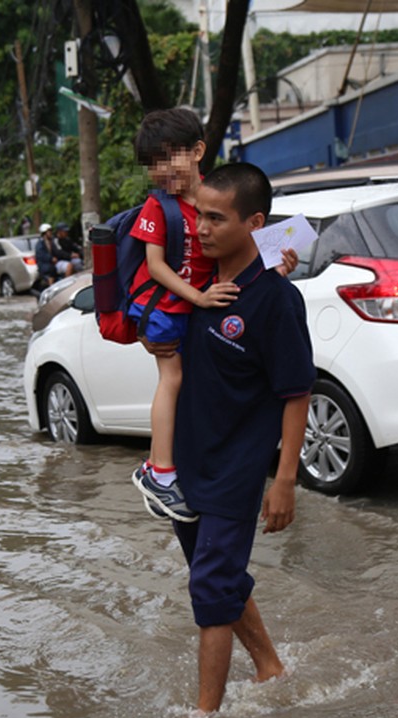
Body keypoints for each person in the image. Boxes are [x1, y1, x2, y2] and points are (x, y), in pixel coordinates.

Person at [146, 162, 316, 718]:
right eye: (199, 216)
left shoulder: (276, 299)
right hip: (187, 468)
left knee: (211, 594)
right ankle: (270, 667)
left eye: (217, 219)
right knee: (217, 580)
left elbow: (296, 394)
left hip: (235, 474)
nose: (201, 228)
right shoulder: (196, 285)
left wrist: (284, 480)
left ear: (255, 223)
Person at [126, 107, 241, 522]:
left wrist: (281, 264)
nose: (163, 169)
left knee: (195, 384)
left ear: (197, 151)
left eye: (170, 156)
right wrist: (198, 297)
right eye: (154, 162)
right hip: (164, 309)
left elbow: (243, 247)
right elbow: (155, 267)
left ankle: (175, 467)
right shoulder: (159, 207)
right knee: (171, 378)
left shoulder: (220, 197)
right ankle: (160, 472)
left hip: (193, 309)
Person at [34, 223, 60, 287]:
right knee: (51, 269)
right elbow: (42, 254)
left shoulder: (51, 241)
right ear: (44, 233)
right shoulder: (40, 244)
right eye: (49, 231)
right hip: (43, 264)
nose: (51, 233)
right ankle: (51, 286)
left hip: (51, 263)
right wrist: (51, 258)